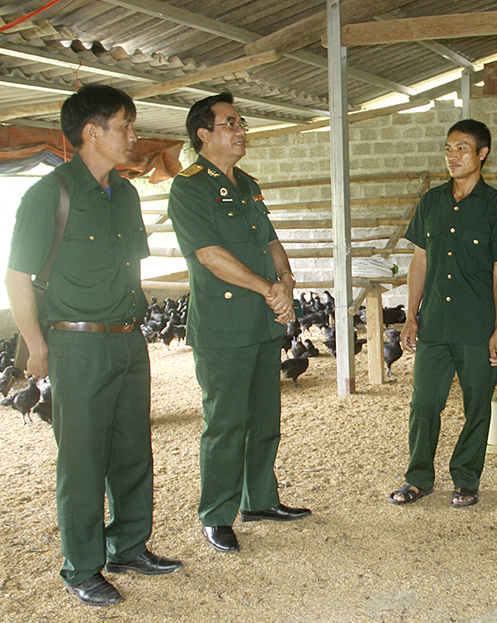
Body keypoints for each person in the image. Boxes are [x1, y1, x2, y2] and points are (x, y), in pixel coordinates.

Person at [5, 84, 182, 607]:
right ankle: (82, 565)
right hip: (75, 346)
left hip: (129, 339)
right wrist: (35, 346)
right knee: (82, 460)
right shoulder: (51, 193)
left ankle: (129, 544)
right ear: (92, 132)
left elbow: (130, 268)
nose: (133, 136)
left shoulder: (125, 193)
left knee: (132, 450)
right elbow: (17, 278)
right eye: (125, 126)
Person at [167, 93, 310, 554]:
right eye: (231, 123)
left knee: (265, 419)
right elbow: (209, 256)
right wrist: (266, 288)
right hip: (224, 326)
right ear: (204, 134)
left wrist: (285, 281)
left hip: (261, 323)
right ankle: (216, 514)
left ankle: (260, 501)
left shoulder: (247, 183)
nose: (241, 129)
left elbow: (270, 241)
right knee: (225, 424)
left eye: (241, 122)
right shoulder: (189, 187)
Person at [387, 119, 497, 509]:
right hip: (434, 327)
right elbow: (419, 262)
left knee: (477, 406)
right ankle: (418, 478)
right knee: (424, 404)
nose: (452, 156)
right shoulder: (431, 202)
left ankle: (466, 478)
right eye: (448, 148)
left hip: (477, 327)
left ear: (482, 154)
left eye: (462, 148)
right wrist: (411, 316)